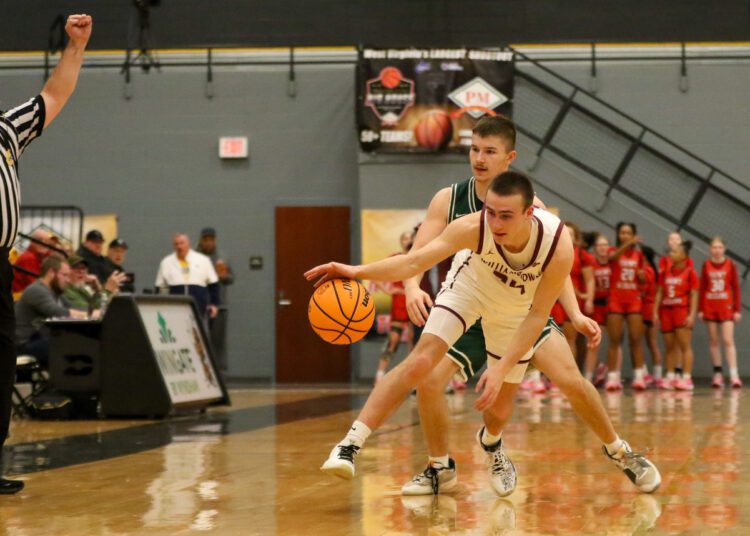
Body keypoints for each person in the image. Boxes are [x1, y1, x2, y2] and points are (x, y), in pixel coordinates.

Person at [307, 171, 661, 496]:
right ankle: (350, 445)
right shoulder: (471, 226)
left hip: (517, 311)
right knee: (421, 363)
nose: (495, 223)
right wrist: (354, 271)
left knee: (516, 404)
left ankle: (612, 451)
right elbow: (414, 262)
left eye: (506, 216)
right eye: (491, 213)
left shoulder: (556, 241)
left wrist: (503, 367)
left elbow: (538, 314)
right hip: (470, 290)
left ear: (530, 212)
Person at [0, 13, 92, 494]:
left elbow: (53, 96)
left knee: (1, 366)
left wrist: (75, 47)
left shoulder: (6, 130)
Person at [15, 257, 87, 367]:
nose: (68, 280)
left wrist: (91, 312)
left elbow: (74, 309)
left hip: (40, 339)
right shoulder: (36, 290)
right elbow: (58, 312)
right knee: (68, 345)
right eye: (65, 275)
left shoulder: (56, 293)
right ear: (51, 273)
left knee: (78, 342)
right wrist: (89, 314)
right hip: (25, 344)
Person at [605, 223, 647, 391]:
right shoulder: (612, 250)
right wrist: (628, 244)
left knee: (636, 340)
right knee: (614, 340)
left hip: (633, 300)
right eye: (622, 233)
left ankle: (639, 377)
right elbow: (612, 258)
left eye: (628, 233)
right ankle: (612, 377)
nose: (625, 235)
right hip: (616, 300)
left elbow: (643, 280)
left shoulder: (639, 255)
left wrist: (642, 277)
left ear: (633, 234)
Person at [653, 241, 699, 390]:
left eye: (675, 252)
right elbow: (660, 292)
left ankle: (686, 378)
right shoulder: (665, 272)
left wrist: (692, 315)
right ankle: (670, 376)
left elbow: (694, 295)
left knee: (685, 346)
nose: (670, 254)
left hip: (681, 310)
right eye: (671, 252)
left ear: (684, 256)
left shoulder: (691, 273)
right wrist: (655, 312)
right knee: (669, 347)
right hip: (667, 311)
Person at [699, 236, 742, 388]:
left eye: (719, 247)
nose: (717, 250)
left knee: (728, 340)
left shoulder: (731, 264)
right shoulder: (706, 264)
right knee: (713, 341)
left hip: (726, 306)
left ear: (724, 249)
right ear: (710, 249)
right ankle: (717, 374)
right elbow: (702, 288)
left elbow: (735, 287)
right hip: (710, 306)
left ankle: (734, 375)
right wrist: (701, 309)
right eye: (714, 247)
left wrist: (737, 309)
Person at [373, 231, 415, 384]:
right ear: (401, 242)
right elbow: (376, 274)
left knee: (414, 341)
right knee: (393, 340)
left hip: (415, 301)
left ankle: (413, 378)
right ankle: (380, 374)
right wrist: (388, 290)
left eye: (410, 238)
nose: (408, 241)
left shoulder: (419, 256)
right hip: (399, 302)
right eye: (405, 238)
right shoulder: (396, 258)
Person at [156, 233, 220, 323]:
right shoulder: (166, 262)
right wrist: (163, 303)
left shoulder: (203, 260)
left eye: (182, 243)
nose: (179, 246)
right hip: (174, 308)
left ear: (188, 244)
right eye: (176, 244)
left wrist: (214, 304)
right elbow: (161, 287)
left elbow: (213, 285)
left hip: (199, 307)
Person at [196, 227, 234, 370]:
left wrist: (224, 277)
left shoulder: (222, 258)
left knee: (218, 343)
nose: (208, 243)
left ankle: (220, 372)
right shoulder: (194, 257)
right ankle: (201, 370)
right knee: (199, 340)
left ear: (215, 240)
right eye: (206, 240)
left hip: (220, 307)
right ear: (201, 241)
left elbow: (232, 278)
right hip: (200, 306)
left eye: (211, 240)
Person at [583, 233, 611, 386]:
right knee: (593, 342)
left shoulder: (614, 262)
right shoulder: (591, 262)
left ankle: (610, 373)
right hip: (596, 306)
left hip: (612, 306)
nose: (602, 248)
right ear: (595, 248)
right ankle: (588, 376)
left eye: (605, 245)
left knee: (614, 341)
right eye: (599, 245)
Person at [641, 246, 663, 388]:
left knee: (639, 343)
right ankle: (657, 375)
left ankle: (645, 374)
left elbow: (644, 291)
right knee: (652, 343)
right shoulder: (653, 270)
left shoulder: (646, 271)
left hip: (645, 308)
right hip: (652, 308)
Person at [11, 229, 53, 294]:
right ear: (32, 241)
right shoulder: (29, 258)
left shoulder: (40, 257)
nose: (43, 243)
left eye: (47, 241)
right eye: (39, 240)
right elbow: (36, 287)